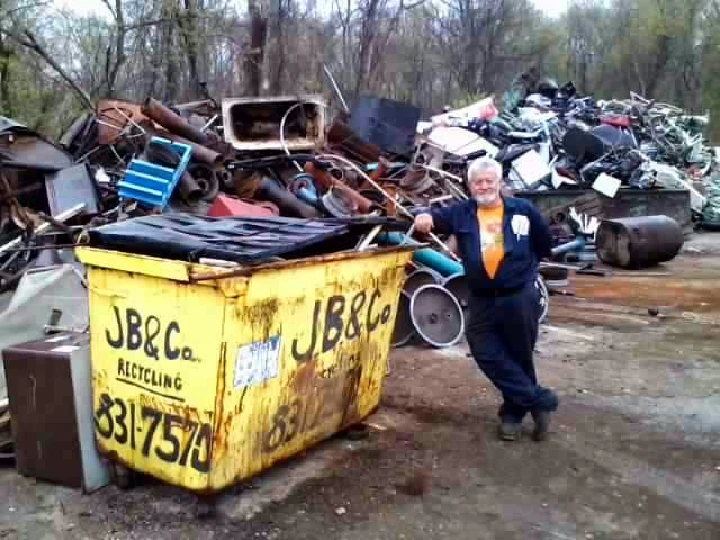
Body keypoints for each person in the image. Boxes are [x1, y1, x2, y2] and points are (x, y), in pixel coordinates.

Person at [413, 156, 559, 442]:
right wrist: (422, 215)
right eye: (477, 182)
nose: (483, 186)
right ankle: (538, 401)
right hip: (481, 297)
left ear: (499, 183)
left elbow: (544, 246)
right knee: (483, 349)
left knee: (519, 354)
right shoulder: (461, 213)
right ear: (469, 186)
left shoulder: (523, 211)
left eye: (488, 181)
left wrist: (522, 271)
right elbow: (433, 218)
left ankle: (512, 415)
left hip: (518, 297)